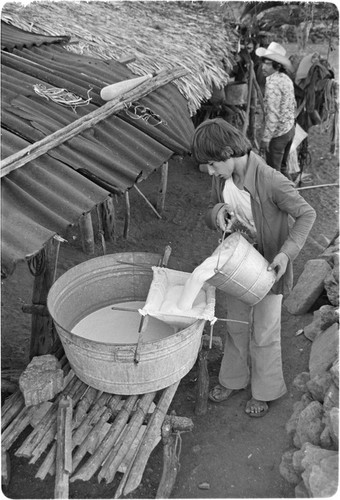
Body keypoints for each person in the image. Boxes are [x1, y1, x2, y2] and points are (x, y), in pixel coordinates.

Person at [192, 118, 316, 417]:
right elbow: (215, 207)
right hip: (238, 262)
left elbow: (307, 214)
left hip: (268, 268)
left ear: (226, 152)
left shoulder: (271, 180)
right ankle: (234, 379)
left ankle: (266, 389)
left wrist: (286, 254)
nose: (209, 171)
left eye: (211, 165)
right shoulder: (223, 177)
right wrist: (219, 213)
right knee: (236, 325)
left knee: (265, 331)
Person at [255, 42, 296, 178]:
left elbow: (273, 115)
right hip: (289, 129)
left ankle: (281, 197)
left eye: (267, 64)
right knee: (282, 168)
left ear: (277, 65)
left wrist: (266, 139)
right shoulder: (286, 79)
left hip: (278, 135)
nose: (263, 67)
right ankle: (292, 194)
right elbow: (292, 104)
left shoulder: (272, 83)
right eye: (263, 63)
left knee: (274, 175)